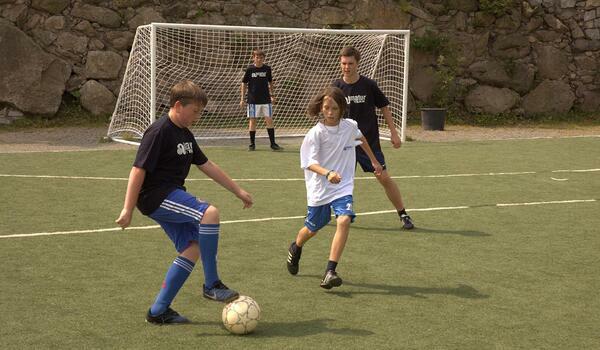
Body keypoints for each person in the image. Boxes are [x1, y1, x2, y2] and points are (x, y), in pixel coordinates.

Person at [116, 80, 253, 325]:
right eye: (195, 111)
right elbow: (138, 170)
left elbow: (206, 165)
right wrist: (127, 208)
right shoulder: (159, 131)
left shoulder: (185, 135)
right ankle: (211, 284)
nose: (197, 117)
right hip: (156, 196)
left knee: (193, 246)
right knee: (209, 214)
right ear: (179, 105)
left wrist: (238, 190)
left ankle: (158, 310)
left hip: (169, 194)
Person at [286, 86, 383, 289]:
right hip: (319, 188)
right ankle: (296, 247)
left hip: (343, 186)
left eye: (335, 108)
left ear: (342, 109)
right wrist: (328, 173)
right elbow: (308, 163)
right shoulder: (315, 134)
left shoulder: (349, 126)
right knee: (313, 228)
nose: (330, 112)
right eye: (327, 108)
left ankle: (330, 271)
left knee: (345, 220)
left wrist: (374, 161)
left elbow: (361, 138)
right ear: (321, 108)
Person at [332, 46, 414, 230]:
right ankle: (325, 211)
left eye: (350, 63)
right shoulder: (336, 87)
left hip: (368, 143)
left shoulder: (369, 85)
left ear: (357, 63)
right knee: (337, 180)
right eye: (344, 63)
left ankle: (403, 214)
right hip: (344, 145)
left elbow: (384, 107)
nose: (347, 67)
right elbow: (329, 112)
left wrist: (394, 133)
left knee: (383, 177)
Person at [240, 48, 282, 151]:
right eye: (257, 57)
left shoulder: (267, 69)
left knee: (269, 120)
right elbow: (244, 83)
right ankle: (252, 144)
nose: (259, 59)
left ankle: (273, 144)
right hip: (253, 100)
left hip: (266, 100)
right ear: (253, 58)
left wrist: (272, 95)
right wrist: (242, 99)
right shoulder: (250, 69)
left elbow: (271, 82)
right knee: (253, 121)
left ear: (264, 59)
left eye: (261, 57)